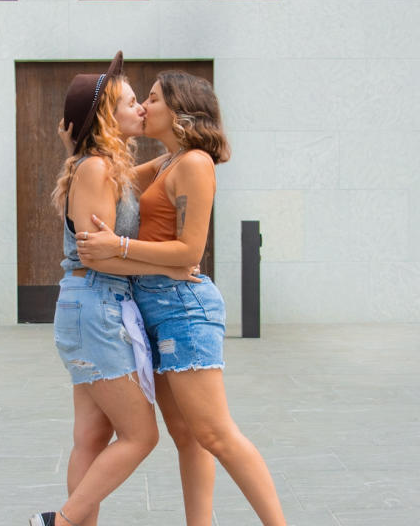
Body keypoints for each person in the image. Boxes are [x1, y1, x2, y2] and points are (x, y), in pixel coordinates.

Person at [77, 71, 288, 526]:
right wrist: (78, 141)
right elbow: (106, 174)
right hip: (156, 307)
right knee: (187, 438)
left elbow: (191, 252)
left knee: (215, 433)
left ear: (179, 109)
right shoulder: (168, 162)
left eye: (151, 99)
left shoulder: (194, 163)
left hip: (182, 310)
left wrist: (119, 247)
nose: (143, 108)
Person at [31, 53, 200, 526]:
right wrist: (169, 265)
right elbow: (95, 252)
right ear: (109, 116)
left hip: (92, 305)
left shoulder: (106, 166)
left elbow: (168, 165)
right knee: (141, 436)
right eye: (130, 101)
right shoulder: (96, 170)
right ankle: (60, 522)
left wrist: (190, 136)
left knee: (91, 437)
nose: (141, 107)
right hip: (97, 306)